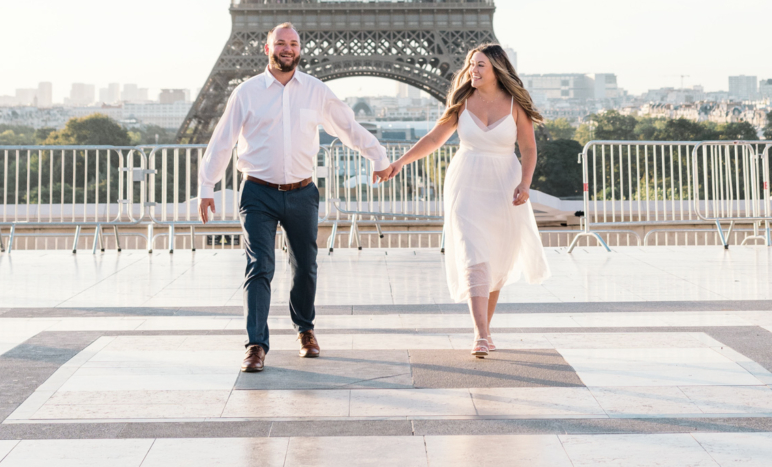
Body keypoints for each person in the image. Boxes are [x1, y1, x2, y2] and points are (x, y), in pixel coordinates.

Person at [198, 21, 392, 373]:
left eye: (293, 43)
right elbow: (223, 138)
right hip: (257, 190)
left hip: (302, 192)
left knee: (305, 266)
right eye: (280, 43)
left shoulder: (316, 91)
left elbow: (347, 127)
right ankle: (256, 344)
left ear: (299, 49)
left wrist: (378, 157)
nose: (287, 48)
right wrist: (206, 186)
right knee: (260, 266)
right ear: (267, 48)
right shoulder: (246, 92)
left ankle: (305, 329)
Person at [374, 43, 547, 356]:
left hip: (504, 185)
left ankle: (485, 330)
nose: (473, 70)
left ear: (497, 70)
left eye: (480, 65)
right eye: (471, 64)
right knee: (472, 253)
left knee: (495, 257)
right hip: (466, 182)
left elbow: (530, 149)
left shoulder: (514, 106)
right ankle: (480, 334)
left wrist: (525, 182)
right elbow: (434, 138)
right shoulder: (463, 101)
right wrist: (400, 162)